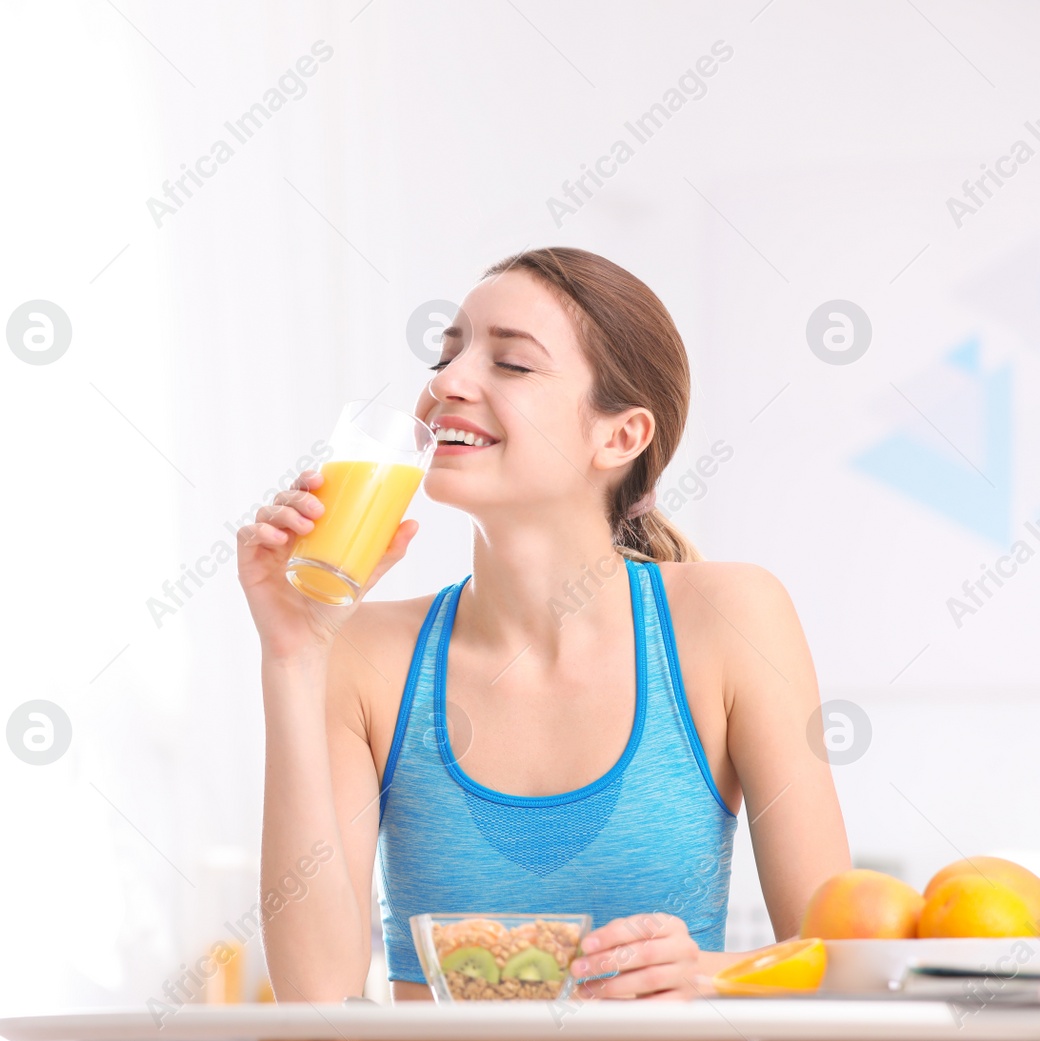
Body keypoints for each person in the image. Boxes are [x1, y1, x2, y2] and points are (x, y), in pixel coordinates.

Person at [238, 247, 849, 1000]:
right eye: (448, 353)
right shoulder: (364, 652)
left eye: (512, 364)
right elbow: (317, 996)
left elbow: (836, 960)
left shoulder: (731, 619)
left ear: (620, 437)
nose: (446, 383)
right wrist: (294, 654)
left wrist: (710, 974)